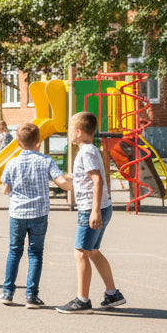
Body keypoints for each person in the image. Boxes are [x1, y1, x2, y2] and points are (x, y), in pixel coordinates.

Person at [57, 111, 126, 313]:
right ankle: (113, 294)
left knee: (80, 252)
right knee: (93, 251)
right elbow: (82, 181)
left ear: (78, 132)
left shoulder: (86, 152)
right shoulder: (90, 150)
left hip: (91, 209)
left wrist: (94, 211)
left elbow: (97, 180)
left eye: (70, 130)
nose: (69, 134)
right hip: (101, 207)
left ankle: (82, 300)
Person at [0, 122, 71, 307]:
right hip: (39, 213)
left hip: (18, 213)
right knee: (36, 253)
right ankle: (32, 296)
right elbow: (61, 181)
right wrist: (74, 183)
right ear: (38, 142)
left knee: (14, 251)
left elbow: (5, 189)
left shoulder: (12, 163)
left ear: (18, 143)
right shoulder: (46, 161)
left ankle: (7, 292)